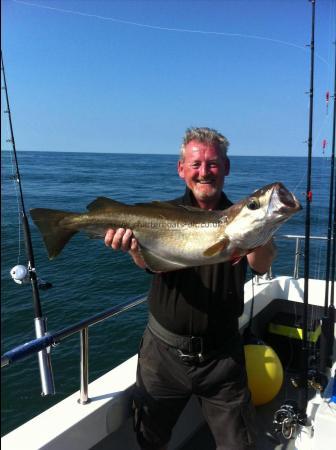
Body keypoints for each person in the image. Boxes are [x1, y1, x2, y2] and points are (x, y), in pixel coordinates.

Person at [105, 127, 276, 450]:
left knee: (240, 444)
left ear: (226, 168)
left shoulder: (243, 217)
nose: (204, 172)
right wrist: (133, 249)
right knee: (149, 439)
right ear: (181, 169)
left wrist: (263, 229)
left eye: (212, 164)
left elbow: (261, 265)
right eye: (196, 164)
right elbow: (152, 266)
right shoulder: (160, 215)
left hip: (222, 357)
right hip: (163, 355)